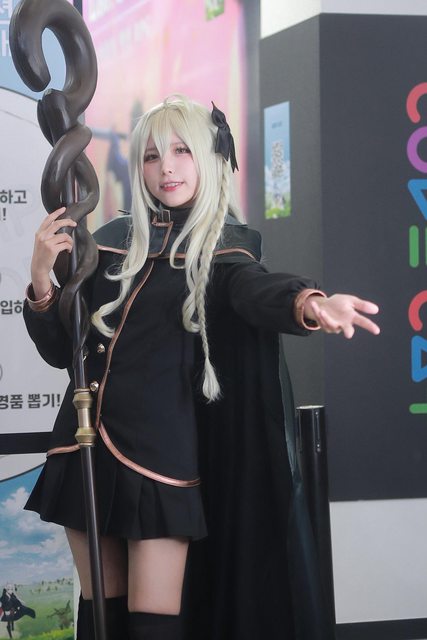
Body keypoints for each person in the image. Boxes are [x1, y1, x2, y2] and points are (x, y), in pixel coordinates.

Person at [23, 95, 380, 640]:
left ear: (211, 157)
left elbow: (257, 291)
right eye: (151, 156)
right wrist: (41, 279)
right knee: (101, 621)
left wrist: (311, 303)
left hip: (161, 460)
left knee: (155, 626)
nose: (166, 168)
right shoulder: (111, 244)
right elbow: (61, 353)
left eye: (182, 151)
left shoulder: (224, 248)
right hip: (83, 445)